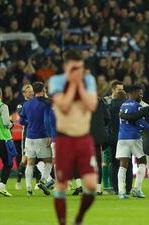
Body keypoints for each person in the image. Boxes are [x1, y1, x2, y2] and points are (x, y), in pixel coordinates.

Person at [48, 50, 98, 225]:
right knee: (61, 184)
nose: (79, 71)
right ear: (66, 67)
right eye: (74, 68)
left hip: (84, 138)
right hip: (64, 139)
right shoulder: (56, 81)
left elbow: (92, 105)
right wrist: (73, 84)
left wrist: (80, 85)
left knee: (91, 185)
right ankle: (62, 222)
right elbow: (63, 106)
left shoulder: (88, 80)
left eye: (81, 68)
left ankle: (79, 218)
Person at [116, 84, 149, 199]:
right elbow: (139, 122)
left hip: (122, 137)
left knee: (123, 165)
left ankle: (121, 191)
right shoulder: (137, 106)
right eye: (140, 93)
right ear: (133, 93)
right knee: (142, 161)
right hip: (134, 137)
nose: (141, 95)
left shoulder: (123, 105)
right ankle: (137, 189)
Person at [19, 82, 53, 196]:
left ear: (33, 90)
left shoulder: (27, 104)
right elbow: (47, 120)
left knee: (30, 162)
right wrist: (49, 134)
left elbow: (21, 121)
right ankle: (43, 181)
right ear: (43, 90)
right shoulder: (46, 103)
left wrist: (30, 124)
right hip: (42, 136)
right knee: (48, 161)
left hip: (29, 137)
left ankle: (28, 188)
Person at [106, 88, 133, 195]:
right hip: (127, 136)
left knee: (115, 164)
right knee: (128, 164)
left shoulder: (110, 106)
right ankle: (128, 188)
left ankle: (116, 188)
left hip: (113, 138)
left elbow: (107, 121)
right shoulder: (129, 106)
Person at [15, 84, 38, 190]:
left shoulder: (36, 102)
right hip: (27, 134)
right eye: (29, 91)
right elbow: (23, 117)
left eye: (32, 91)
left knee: (38, 157)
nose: (31, 93)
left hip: (38, 133)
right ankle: (19, 180)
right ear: (24, 93)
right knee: (25, 158)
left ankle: (38, 182)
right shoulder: (21, 105)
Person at [90, 96, 110, 195]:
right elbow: (107, 117)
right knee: (97, 162)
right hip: (97, 137)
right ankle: (97, 188)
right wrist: (100, 126)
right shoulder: (100, 101)